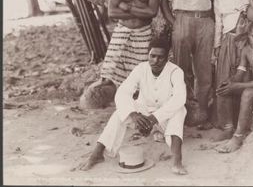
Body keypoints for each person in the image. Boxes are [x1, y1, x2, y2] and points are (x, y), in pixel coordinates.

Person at [79, 37, 188, 175]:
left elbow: (179, 98)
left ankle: (177, 161)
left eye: (160, 57)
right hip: (143, 114)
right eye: (152, 56)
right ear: (148, 55)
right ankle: (97, 154)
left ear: (167, 57)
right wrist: (133, 114)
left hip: (164, 116)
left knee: (179, 110)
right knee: (119, 113)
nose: (155, 61)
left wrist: (155, 118)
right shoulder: (141, 68)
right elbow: (122, 92)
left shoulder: (176, 71)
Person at [161, 0, 217, 129]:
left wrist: (213, 24)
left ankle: (201, 113)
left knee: (204, 71)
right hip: (182, 20)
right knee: (181, 69)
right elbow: (164, 2)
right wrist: (174, 23)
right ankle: (182, 111)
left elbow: (213, 0)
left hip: (205, 22)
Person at [100, 0, 160, 88]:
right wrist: (141, 11)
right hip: (122, 30)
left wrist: (128, 7)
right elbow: (112, 13)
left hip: (143, 32)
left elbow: (152, 12)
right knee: (109, 70)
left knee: (141, 72)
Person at [214, 20, 253, 153]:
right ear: (248, 36)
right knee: (224, 87)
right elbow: (240, 73)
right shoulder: (246, 50)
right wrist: (230, 82)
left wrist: (236, 86)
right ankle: (228, 128)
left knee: (247, 93)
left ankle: (238, 137)